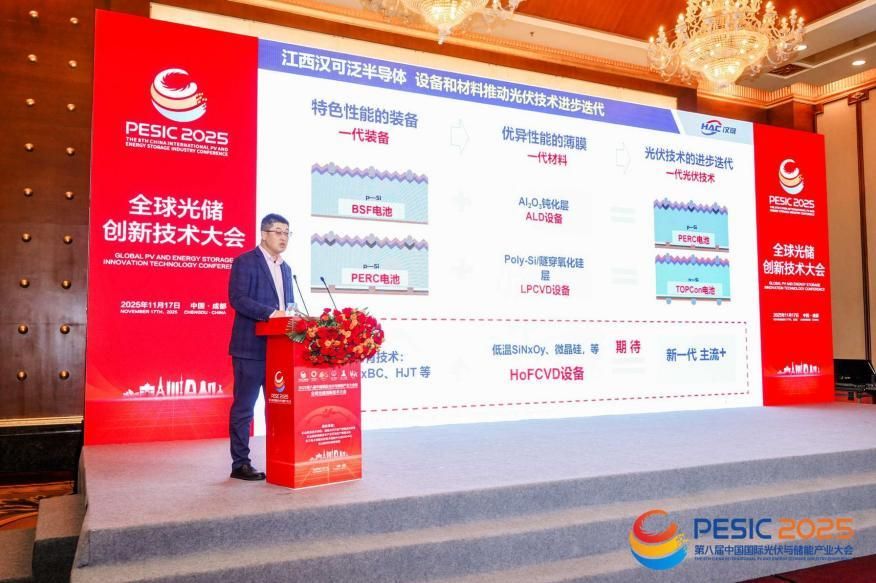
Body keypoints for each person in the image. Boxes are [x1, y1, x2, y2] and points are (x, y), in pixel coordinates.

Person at [227, 213, 293, 481]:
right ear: (264, 234)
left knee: (279, 407)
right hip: (250, 349)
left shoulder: (286, 268)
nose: (283, 237)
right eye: (278, 231)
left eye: (287, 232)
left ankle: (280, 459)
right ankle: (240, 464)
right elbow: (238, 299)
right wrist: (271, 314)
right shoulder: (245, 261)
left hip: (280, 351)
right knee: (244, 408)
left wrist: (291, 316)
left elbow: (286, 307)